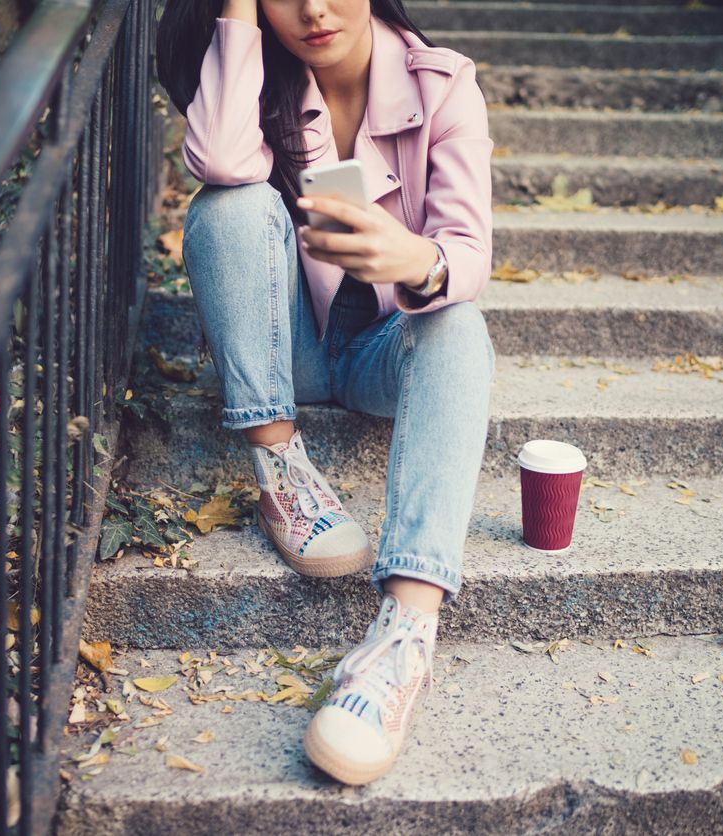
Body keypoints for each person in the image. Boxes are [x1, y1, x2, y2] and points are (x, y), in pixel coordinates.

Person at [155, 0, 495, 785]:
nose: (311, 8)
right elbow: (216, 161)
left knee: (459, 327)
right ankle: (282, 469)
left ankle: (403, 638)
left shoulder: (442, 87)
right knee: (228, 205)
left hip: (383, 345)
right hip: (289, 354)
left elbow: (469, 251)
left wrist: (414, 260)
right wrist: (239, 22)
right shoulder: (256, 72)